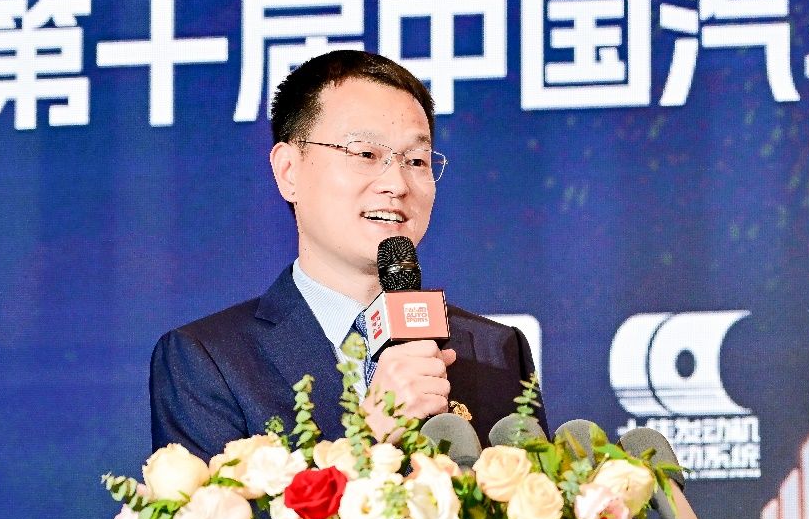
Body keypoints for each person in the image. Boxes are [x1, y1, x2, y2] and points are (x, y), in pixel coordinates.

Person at [150, 50, 544, 461]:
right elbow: (218, 505)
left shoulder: (497, 350)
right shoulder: (208, 360)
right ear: (289, 171)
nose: (396, 184)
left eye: (416, 160)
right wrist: (368, 435)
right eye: (366, 155)